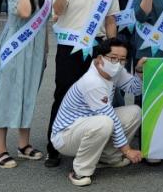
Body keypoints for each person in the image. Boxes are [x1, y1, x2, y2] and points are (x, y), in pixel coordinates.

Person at [45, 0, 120, 168]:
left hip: (96, 48)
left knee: (96, 95)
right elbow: (58, 10)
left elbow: (110, 20)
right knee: (63, 93)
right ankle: (53, 147)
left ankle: (93, 144)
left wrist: (111, 48)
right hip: (70, 48)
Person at [51, 38, 144, 186]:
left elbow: (135, 89)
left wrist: (139, 71)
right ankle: (80, 171)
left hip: (88, 124)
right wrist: (127, 151)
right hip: (65, 135)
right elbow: (110, 117)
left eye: (122, 60)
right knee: (105, 122)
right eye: (113, 58)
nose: (118, 63)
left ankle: (108, 158)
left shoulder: (115, 71)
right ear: (100, 58)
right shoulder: (92, 81)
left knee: (135, 112)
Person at [0, 0, 52, 169]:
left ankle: (23, 145)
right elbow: (25, 12)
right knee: (6, 96)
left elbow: (44, 25)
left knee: (28, 95)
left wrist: (45, 51)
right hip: (15, 50)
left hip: (36, 53)